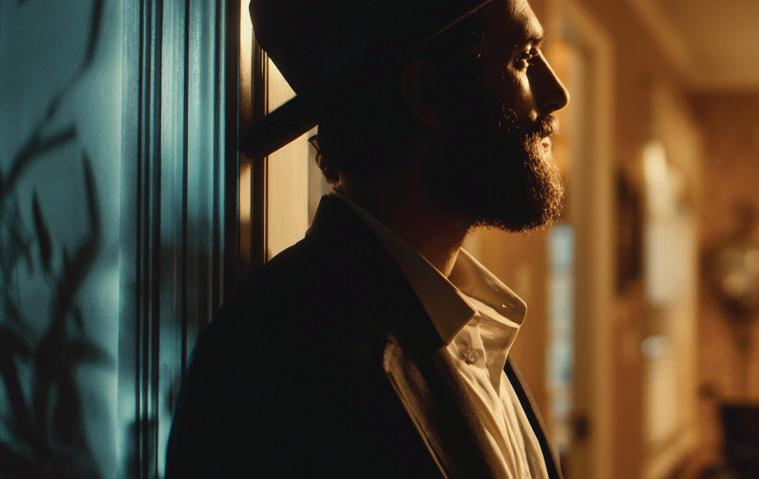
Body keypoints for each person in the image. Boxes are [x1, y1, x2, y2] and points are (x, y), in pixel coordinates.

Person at [165, 0, 569, 477]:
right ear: (428, 93)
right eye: (522, 59)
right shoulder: (274, 360)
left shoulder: (474, 325)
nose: (556, 93)